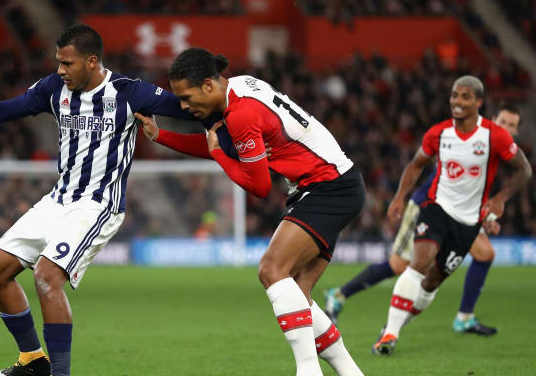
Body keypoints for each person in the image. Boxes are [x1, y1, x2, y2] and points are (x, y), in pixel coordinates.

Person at [0, 25, 199, 376]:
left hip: (99, 204)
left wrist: (233, 110)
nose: (60, 70)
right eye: (58, 62)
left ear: (92, 61)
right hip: (58, 199)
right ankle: (33, 360)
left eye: (67, 63)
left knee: (46, 277)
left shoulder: (129, 93)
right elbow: (5, 109)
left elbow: (187, 106)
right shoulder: (52, 89)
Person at [135, 47, 364, 376]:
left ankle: (308, 371)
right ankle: (351, 372)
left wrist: (220, 158)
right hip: (335, 184)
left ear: (209, 86)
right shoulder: (241, 86)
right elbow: (222, 145)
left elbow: (257, 185)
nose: (183, 106)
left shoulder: (241, 115)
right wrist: (161, 136)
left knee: (271, 270)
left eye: (186, 97)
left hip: (327, 187)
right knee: (297, 296)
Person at [324, 103, 523, 337]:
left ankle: (464, 317)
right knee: (399, 265)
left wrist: (486, 214)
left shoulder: (498, 148)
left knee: (485, 254)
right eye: (503, 123)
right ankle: (339, 295)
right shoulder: (477, 141)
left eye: (512, 125)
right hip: (428, 207)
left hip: (461, 214)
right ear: (492, 120)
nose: (507, 128)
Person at [371, 76, 531, 355]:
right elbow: (416, 164)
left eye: (465, 97)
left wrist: (500, 199)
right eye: (455, 96)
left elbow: (524, 170)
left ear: (479, 102)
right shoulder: (438, 133)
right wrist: (399, 196)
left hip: (468, 223)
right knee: (419, 262)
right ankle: (390, 336)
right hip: (436, 208)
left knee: (432, 281)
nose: (457, 102)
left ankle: (393, 328)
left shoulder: (494, 135)